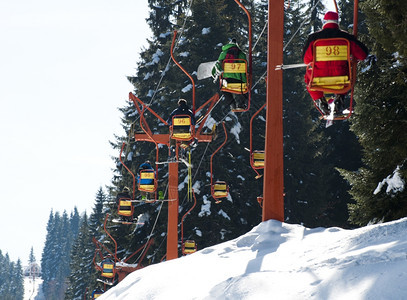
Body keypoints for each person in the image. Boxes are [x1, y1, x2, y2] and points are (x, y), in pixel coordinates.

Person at [303, 11, 369, 115]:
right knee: (347, 71)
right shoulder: (346, 37)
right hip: (342, 80)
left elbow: (306, 60)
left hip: (318, 79)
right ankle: (340, 98)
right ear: (337, 22)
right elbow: (362, 55)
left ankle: (320, 100)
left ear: (324, 22)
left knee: (308, 75)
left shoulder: (314, 38)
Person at [211, 38, 248, 110]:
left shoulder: (223, 54)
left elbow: (218, 65)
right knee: (245, 89)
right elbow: (246, 68)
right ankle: (241, 104)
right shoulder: (242, 54)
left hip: (227, 81)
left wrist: (213, 73)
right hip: (240, 81)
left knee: (224, 89)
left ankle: (232, 104)